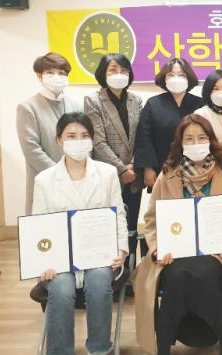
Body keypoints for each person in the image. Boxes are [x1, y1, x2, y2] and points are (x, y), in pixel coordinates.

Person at [133, 114, 222, 355]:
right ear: (180, 143)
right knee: (179, 274)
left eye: (202, 138)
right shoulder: (168, 174)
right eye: (189, 139)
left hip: (217, 253)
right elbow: (151, 220)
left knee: (205, 271)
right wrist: (157, 247)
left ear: (211, 140)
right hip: (175, 253)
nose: (196, 144)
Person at [31, 112, 128, 355]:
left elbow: (118, 214)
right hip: (60, 260)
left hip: (99, 255)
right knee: (61, 289)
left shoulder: (107, 173)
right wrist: (44, 263)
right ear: (59, 140)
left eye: (84, 135)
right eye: (71, 136)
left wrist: (121, 250)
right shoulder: (45, 179)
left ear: (92, 139)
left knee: (98, 282)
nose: (78, 141)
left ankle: (98, 353)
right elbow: (39, 225)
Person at [84, 53, 144, 256]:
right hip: (108, 174)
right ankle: (111, 267)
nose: (119, 74)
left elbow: (142, 137)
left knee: (131, 225)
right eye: (113, 70)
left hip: (134, 174)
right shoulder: (93, 101)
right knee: (109, 225)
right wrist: (121, 169)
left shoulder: (136, 100)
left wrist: (133, 165)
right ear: (103, 73)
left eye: (123, 71)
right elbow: (98, 141)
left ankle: (130, 268)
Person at [17, 52, 82, 215]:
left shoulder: (76, 105)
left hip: (76, 181)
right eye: (50, 73)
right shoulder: (28, 107)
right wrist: (60, 174)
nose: (57, 77)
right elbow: (31, 149)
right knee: (47, 227)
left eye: (61, 73)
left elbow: (83, 142)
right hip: (45, 179)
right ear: (39, 76)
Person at [134, 58, 203, 190]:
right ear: (164, 79)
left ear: (188, 78)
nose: (176, 78)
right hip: (162, 169)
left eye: (181, 74)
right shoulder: (153, 104)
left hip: (196, 168)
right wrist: (148, 168)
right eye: (171, 75)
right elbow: (144, 138)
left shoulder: (200, 104)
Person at [194, 70, 222, 171]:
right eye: (215, 89)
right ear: (208, 92)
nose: (221, 93)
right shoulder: (201, 115)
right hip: (210, 171)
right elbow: (199, 147)